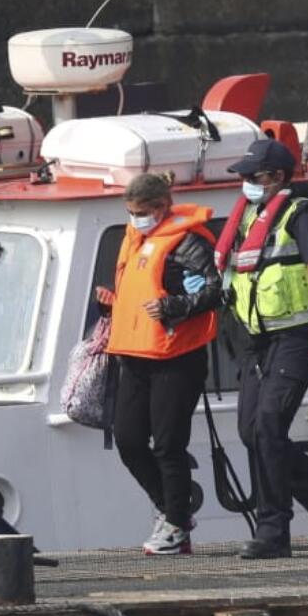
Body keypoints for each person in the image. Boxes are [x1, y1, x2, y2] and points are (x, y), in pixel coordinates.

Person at [215, 138, 308, 559]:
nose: (244, 183)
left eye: (251, 177)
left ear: (277, 177)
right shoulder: (250, 216)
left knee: (268, 427)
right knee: (250, 432)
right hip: (257, 341)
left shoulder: (303, 215)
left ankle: (273, 532)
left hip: (298, 338)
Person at [96, 172, 221, 555]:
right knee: (129, 439)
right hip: (134, 354)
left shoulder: (187, 242)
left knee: (169, 444)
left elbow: (215, 291)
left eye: (142, 212)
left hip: (175, 357)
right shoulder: (134, 241)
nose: (136, 218)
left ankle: (177, 526)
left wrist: (175, 305)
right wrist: (113, 304)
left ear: (161, 206)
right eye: (130, 212)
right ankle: (172, 510)